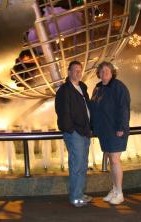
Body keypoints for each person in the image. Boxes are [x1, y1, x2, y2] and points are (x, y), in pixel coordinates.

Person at [89, 61, 130, 205]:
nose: (104, 73)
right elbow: (93, 109)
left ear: (112, 72)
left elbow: (123, 108)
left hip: (115, 130)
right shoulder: (98, 88)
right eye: (101, 71)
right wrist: (92, 127)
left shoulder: (118, 87)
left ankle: (119, 193)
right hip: (104, 130)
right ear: (98, 74)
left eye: (107, 71)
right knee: (111, 161)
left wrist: (121, 127)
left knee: (115, 160)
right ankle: (114, 189)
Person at [54, 60, 92, 207]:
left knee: (83, 164)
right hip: (75, 133)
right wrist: (71, 129)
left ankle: (80, 194)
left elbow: (86, 108)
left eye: (80, 70)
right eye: (75, 70)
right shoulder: (64, 90)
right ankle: (75, 197)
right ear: (69, 72)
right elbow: (63, 112)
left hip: (85, 131)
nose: (78, 72)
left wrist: (90, 126)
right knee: (77, 165)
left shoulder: (82, 87)